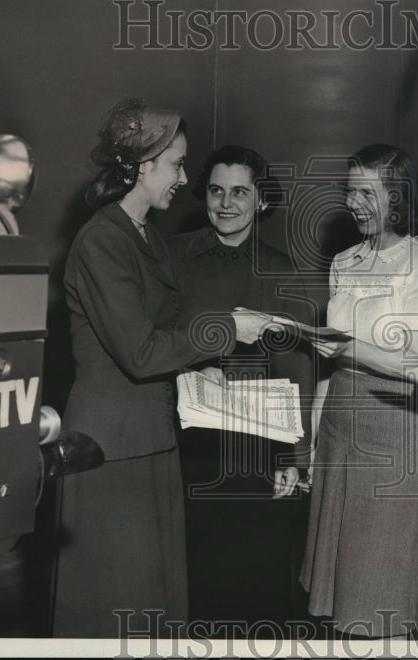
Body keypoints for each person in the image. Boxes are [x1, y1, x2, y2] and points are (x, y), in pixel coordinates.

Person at [52, 99, 269, 637]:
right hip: (109, 446)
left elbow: (165, 342)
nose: (185, 178)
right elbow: (141, 351)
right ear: (142, 166)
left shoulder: (145, 237)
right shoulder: (103, 240)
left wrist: (197, 374)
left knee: (154, 600)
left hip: (151, 435)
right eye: (176, 164)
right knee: (113, 602)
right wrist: (226, 329)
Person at [299, 144, 418, 638]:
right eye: (349, 190)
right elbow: (327, 366)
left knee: (379, 582)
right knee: (337, 581)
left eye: (367, 192)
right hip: (341, 417)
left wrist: (340, 346)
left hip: (394, 424)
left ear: (397, 197)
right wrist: (314, 435)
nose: (354, 202)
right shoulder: (343, 261)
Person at [166, 145, 314, 626]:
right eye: (215, 190)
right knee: (192, 579)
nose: (226, 203)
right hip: (184, 445)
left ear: (261, 200)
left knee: (257, 580)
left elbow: (296, 370)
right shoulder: (171, 258)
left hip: (255, 449)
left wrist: (293, 456)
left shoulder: (283, 270)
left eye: (239, 192)